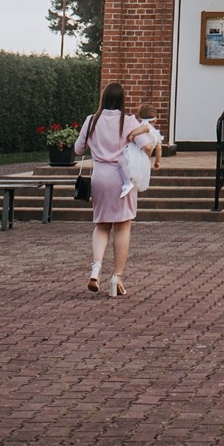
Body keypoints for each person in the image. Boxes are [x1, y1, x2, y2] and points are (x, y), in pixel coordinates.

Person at [74, 81, 153, 297]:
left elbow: (78, 148)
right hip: (122, 178)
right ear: (122, 100)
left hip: (99, 177)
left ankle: (96, 266)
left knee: (101, 225)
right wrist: (142, 133)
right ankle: (116, 277)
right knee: (123, 226)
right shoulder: (128, 121)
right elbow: (147, 147)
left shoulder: (91, 120)